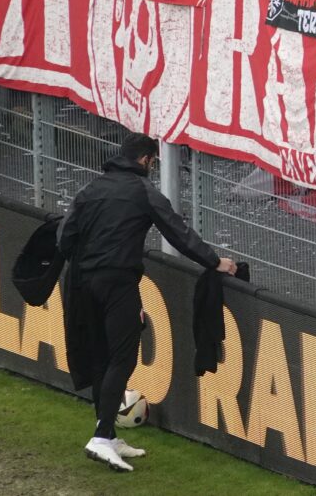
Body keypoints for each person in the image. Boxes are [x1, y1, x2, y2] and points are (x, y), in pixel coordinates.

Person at [58, 135, 238, 472]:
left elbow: (64, 236)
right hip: (118, 283)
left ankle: (108, 435)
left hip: (81, 283)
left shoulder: (91, 189)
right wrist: (213, 261)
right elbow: (177, 231)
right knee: (123, 358)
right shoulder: (143, 192)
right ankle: (99, 437)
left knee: (100, 358)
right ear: (146, 160)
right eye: (153, 163)